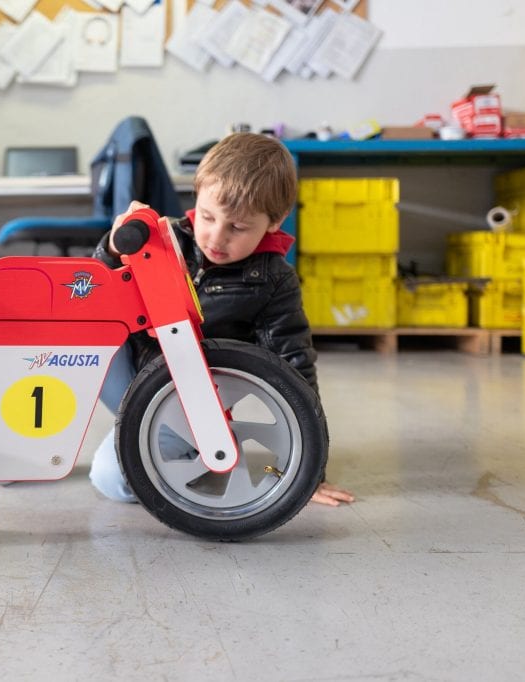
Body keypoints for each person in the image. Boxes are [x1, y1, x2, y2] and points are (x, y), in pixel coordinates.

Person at [89, 132, 354, 507]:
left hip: (194, 401)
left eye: (238, 227)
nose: (216, 236)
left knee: (113, 482)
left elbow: (297, 371)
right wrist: (115, 248)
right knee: (80, 327)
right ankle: (32, 447)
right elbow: (94, 288)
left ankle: (196, 450)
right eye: (209, 216)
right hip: (137, 376)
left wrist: (310, 474)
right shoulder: (168, 240)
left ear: (274, 221)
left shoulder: (273, 281)